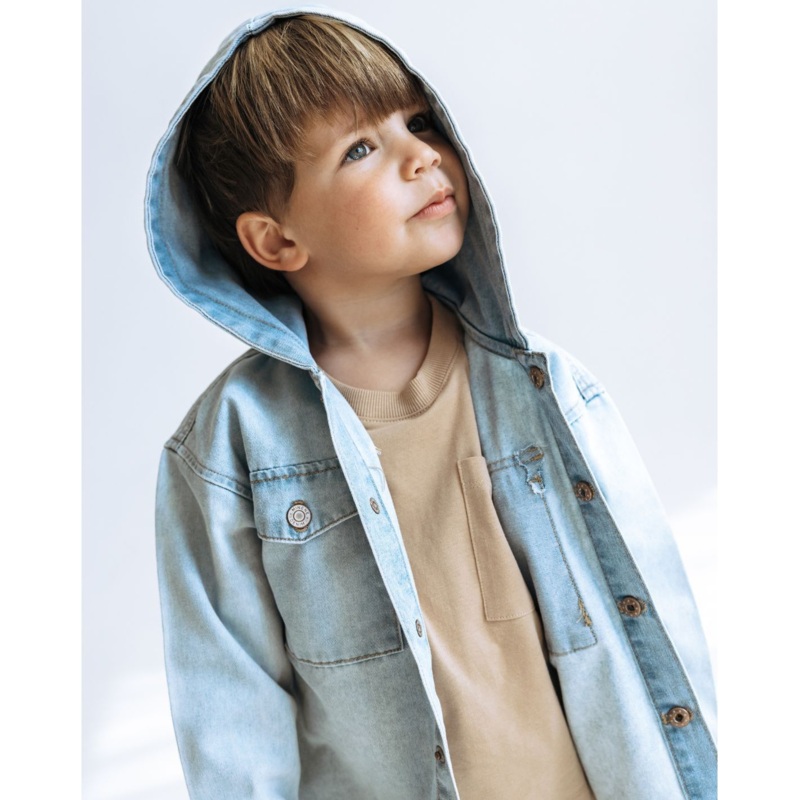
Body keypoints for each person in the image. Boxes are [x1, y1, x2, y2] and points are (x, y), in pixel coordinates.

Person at [145, 8, 717, 800]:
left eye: (417, 122)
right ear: (276, 241)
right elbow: (233, 718)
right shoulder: (229, 450)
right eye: (361, 148)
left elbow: (657, 619)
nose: (423, 156)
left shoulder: (545, 385)